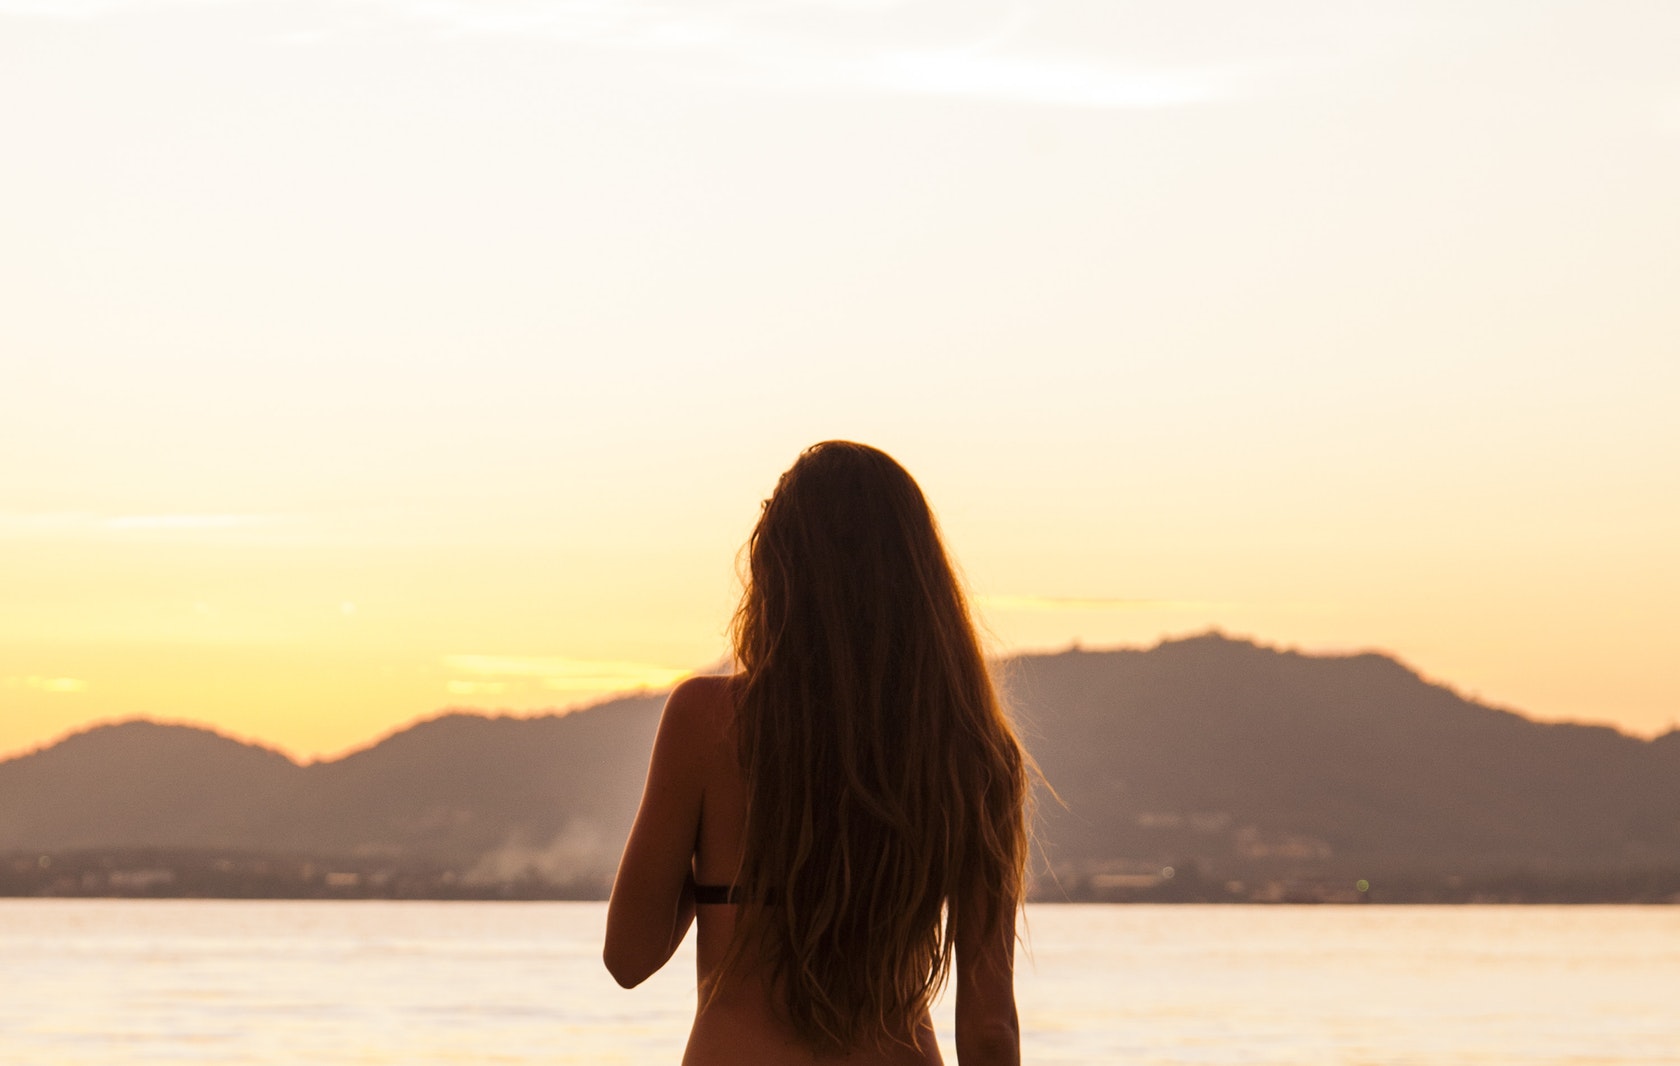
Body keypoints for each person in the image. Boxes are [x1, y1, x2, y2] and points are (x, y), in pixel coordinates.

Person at [604, 441, 1030, 1065]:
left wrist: (709, 858)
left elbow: (629, 958)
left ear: (777, 569)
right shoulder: (971, 751)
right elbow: (991, 1027)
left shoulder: (707, 720)